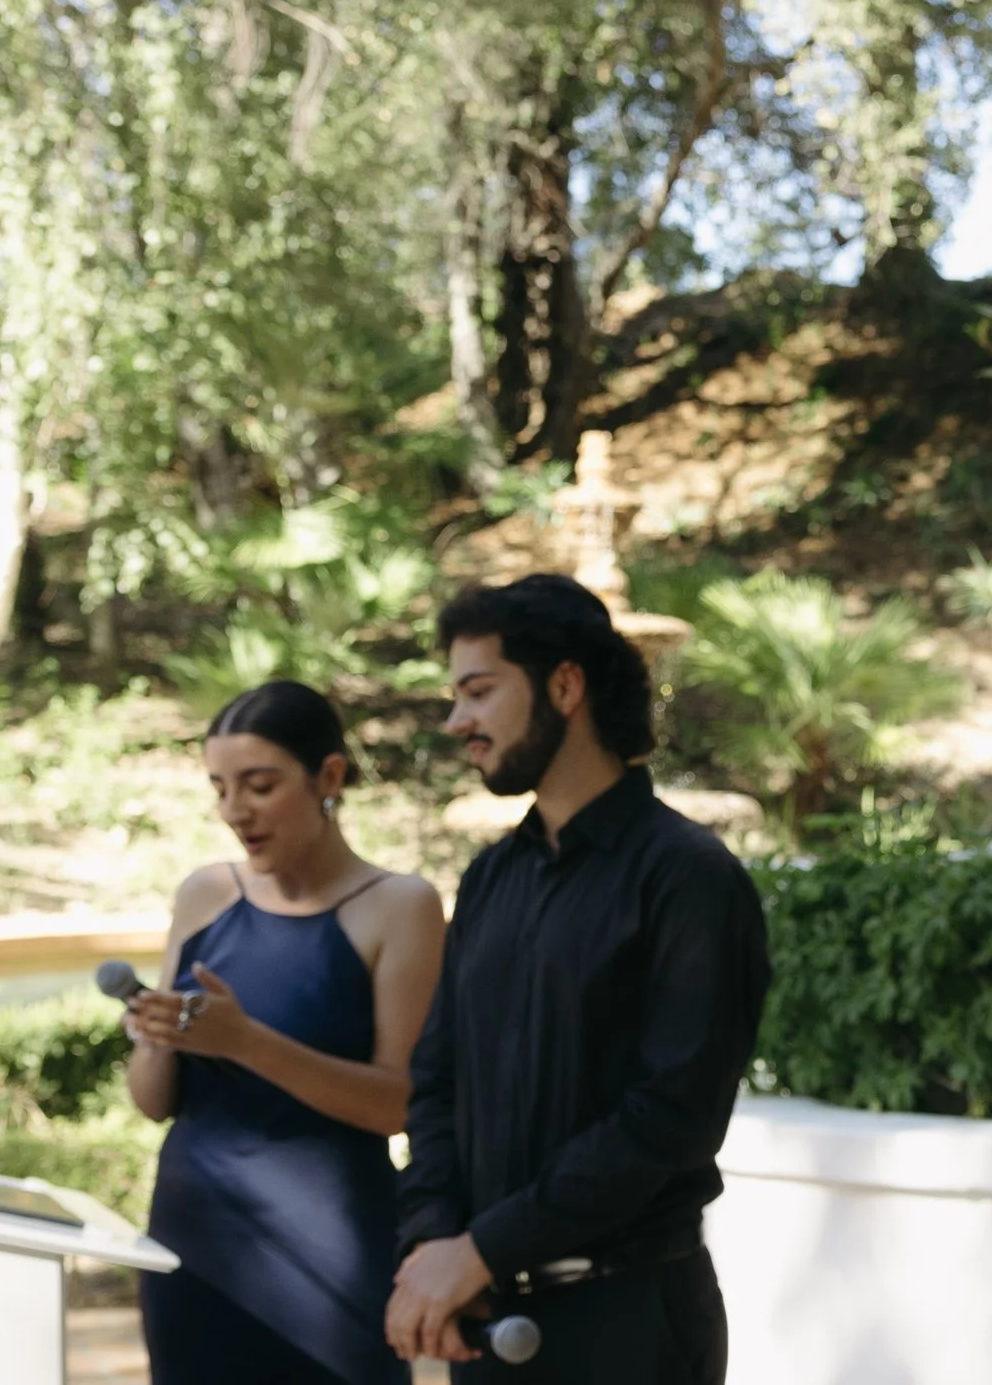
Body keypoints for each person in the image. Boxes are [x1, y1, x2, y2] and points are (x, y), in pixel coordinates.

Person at [388, 574, 769, 1383]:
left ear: (565, 685)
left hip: (630, 1324)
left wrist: (482, 1248)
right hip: (487, 1322)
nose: (457, 722)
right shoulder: (490, 876)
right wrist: (435, 1238)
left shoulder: (689, 876)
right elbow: (437, 1080)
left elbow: (671, 1117)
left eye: (479, 691)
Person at [124, 680, 445, 1385]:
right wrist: (154, 1035)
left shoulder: (400, 906)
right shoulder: (204, 893)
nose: (235, 810)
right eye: (220, 788)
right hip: (193, 1241)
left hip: (333, 1252)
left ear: (328, 776)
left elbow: (399, 1104)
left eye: (260, 785)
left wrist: (245, 1041)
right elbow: (152, 1102)